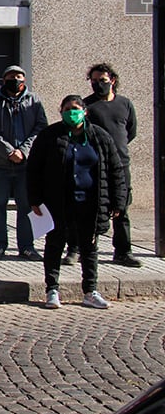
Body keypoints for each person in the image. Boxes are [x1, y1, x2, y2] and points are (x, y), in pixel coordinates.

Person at [27, 95, 127, 310]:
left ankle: (90, 291)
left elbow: (115, 170)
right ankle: (52, 290)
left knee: (89, 248)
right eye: (67, 109)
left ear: (84, 111)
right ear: (61, 111)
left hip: (90, 202)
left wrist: (119, 201)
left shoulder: (100, 137)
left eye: (75, 108)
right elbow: (34, 169)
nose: (72, 113)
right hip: (58, 202)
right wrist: (34, 199)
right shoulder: (49, 136)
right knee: (55, 245)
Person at [68, 63, 141, 268]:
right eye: (94, 81)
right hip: (94, 165)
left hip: (120, 166)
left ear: (113, 81)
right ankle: (85, 250)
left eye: (103, 81)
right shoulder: (87, 106)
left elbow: (130, 131)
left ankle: (123, 251)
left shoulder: (125, 104)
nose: (98, 84)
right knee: (90, 209)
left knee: (121, 209)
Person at [0, 64, 47, 261]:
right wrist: (9, 151)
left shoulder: (34, 101)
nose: (15, 79)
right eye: (11, 76)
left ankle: (27, 246)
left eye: (18, 76)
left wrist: (23, 151)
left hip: (25, 166)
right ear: (4, 79)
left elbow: (40, 127)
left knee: (25, 207)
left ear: (24, 79)